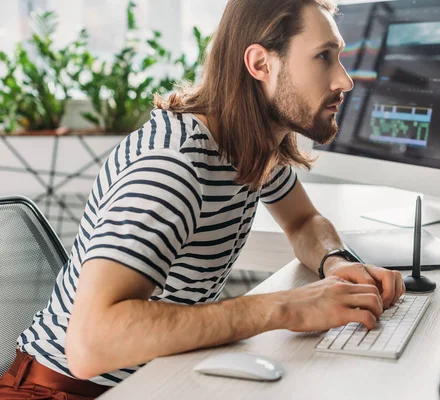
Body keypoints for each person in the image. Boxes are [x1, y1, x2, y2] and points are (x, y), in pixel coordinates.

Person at [0, 0, 405, 398]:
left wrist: (335, 261)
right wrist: (285, 308)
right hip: (60, 391)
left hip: (154, 379)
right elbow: (91, 344)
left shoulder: (251, 141)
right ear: (261, 64)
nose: (344, 80)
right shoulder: (173, 166)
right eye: (323, 57)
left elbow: (303, 223)